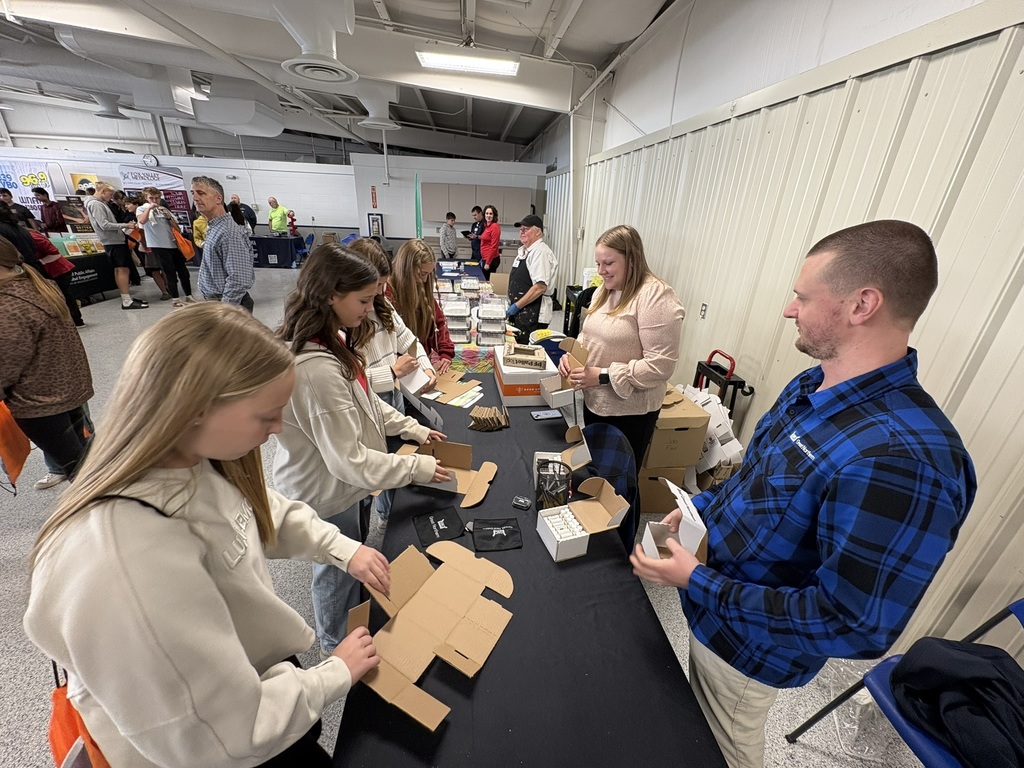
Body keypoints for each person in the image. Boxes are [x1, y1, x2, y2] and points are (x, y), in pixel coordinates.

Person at [630, 220, 977, 768]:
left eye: (802, 296)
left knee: (721, 748)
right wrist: (698, 511)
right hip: (711, 608)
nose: (790, 309)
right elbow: (753, 482)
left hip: (749, 652)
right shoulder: (812, 386)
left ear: (862, 304)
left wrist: (699, 581)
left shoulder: (906, 460)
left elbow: (853, 621)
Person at [23, 303, 387, 767]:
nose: (278, 429)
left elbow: (252, 512)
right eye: (267, 416)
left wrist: (341, 548)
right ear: (195, 409)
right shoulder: (127, 565)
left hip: (260, 692)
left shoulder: (192, 460)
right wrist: (334, 673)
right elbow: (228, 736)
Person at [274, 243, 448, 656]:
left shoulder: (332, 342)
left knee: (348, 565)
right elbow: (349, 461)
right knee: (336, 571)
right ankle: (335, 649)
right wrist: (415, 469)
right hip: (326, 491)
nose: (369, 309)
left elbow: (367, 405)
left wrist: (411, 428)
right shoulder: (315, 368)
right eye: (364, 300)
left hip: (341, 486)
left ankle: (347, 632)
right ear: (331, 295)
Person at [560, 225, 684, 466]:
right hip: (596, 403)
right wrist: (571, 357)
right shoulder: (604, 291)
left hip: (630, 414)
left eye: (608, 263)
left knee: (617, 487)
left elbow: (661, 366)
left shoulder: (655, 297)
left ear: (632, 259)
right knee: (596, 473)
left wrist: (603, 376)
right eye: (598, 264)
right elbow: (589, 336)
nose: (601, 271)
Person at [346, 237, 437, 522]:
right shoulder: (348, 321)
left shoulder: (383, 304)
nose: (382, 293)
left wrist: (425, 366)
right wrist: (392, 372)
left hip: (390, 397)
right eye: (375, 289)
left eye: (383, 287)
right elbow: (350, 384)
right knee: (371, 470)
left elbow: (408, 339)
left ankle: (387, 516)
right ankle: (373, 515)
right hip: (368, 402)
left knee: (390, 459)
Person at [0, 236, 93, 489]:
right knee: (83, 459)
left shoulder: (7, 306)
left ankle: (106, 513)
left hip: (40, 403)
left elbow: (6, 365)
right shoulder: (39, 286)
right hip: (68, 389)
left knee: (79, 469)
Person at [388, 238, 455, 374]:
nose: (424, 280)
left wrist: (445, 353)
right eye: (421, 274)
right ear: (406, 270)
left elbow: (439, 322)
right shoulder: (388, 293)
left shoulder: (421, 288)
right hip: (400, 368)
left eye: (428, 274)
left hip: (422, 364)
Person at [193, 176, 256, 312]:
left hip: (229, 304)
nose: (196, 198)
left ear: (218, 198)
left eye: (201, 193)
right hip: (219, 300)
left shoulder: (228, 232)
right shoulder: (215, 227)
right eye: (194, 193)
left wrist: (225, 310)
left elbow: (239, 278)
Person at [83, 182, 148, 310]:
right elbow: (104, 225)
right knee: (122, 269)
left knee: (122, 268)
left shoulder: (98, 204)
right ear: (102, 191)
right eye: (110, 194)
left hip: (114, 240)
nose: (111, 197)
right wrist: (125, 225)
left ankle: (127, 297)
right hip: (112, 241)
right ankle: (126, 300)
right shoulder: (95, 204)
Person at [137, 186, 195, 307]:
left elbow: (177, 229)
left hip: (173, 244)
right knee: (170, 273)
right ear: (146, 198)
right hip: (158, 245)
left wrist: (168, 217)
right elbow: (141, 221)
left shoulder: (164, 209)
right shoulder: (141, 209)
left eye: (157, 198)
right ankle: (175, 299)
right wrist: (150, 209)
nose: (155, 200)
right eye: (151, 198)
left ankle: (189, 296)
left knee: (183, 272)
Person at [506, 213, 558, 343]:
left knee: (526, 350)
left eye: (526, 229)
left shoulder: (540, 252)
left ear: (538, 232)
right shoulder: (525, 251)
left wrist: (516, 306)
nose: (522, 232)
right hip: (522, 311)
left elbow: (539, 287)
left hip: (533, 314)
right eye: (521, 229)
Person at [28, 229, 83, 327]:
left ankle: (75, 320)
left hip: (58, 270)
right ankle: (75, 320)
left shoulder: (33, 237)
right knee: (64, 295)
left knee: (63, 295)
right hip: (56, 269)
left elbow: (54, 252)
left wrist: (40, 262)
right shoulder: (33, 235)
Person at [479, 204, 501, 279]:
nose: (488, 215)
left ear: (494, 215)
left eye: (491, 214)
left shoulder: (495, 227)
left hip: (491, 260)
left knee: (487, 282)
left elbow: (494, 246)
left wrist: (488, 263)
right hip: (485, 258)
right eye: (487, 213)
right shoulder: (487, 226)